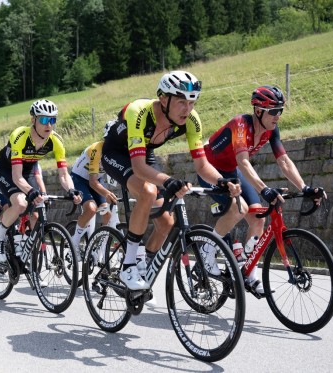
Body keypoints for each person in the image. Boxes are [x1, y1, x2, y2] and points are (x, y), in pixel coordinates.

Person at [101, 70, 240, 290]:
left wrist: (222, 181)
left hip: (143, 151)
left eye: (192, 102)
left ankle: (144, 267)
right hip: (117, 153)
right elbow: (138, 167)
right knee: (147, 191)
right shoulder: (140, 111)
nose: (188, 109)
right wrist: (167, 181)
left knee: (166, 223)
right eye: (182, 102)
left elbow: (202, 166)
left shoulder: (191, 120)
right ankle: (128, 264)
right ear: (164, 99)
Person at [198, 85, 326, 295]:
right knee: (239, 209)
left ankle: (248, 273)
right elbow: (244, 162)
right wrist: (265, 189)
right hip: (210, 170)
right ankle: (207, 251)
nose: (278, 116)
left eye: (281, 111)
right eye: (274, 111)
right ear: (258, 111)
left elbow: (284, 161)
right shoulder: (241, 125)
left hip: (232, 171)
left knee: (258, 217)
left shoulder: (271, 130)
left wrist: (305, 188)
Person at [0, 99, 82, 262]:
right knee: (20, 203)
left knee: (37, 213)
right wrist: (31, 192)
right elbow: (16, 176)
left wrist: (71, 190)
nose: (49, 125)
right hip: (8, 171)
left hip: (28, 172)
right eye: (44, 120)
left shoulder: (56, 140)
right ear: (33, 120)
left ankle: (28, 250)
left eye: (53, 120)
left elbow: (63, 174)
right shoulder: (20, 135)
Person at [70, 140, 117, 255]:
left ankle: (99, 249)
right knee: (91, 208)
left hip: (96, 178)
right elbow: (92, 183)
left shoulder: (118, 152)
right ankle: (74, 242)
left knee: (107, 213)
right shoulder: (97, 149)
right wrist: (107, 193)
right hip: (79, 178)